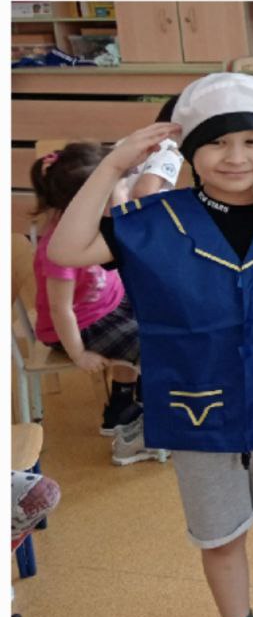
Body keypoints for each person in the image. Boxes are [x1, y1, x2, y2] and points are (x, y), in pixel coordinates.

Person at [48, 73, 253, 617]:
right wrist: (112, 167)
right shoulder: (152, 222)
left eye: (252, 141)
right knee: (219, 534)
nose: (236, 157)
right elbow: (66, 248)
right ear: (188, 152)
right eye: (217, 142)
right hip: (194, 409)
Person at [29, 142, 163, 466]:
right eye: (119, 190)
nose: (125, 194)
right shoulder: (59, 248)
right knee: (158, 348)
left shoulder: (95, 223)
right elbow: (60, 310)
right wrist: (78, 354)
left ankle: (120, 407)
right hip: (80, 325)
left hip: (109, 305)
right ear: (89, 201)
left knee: (166, 321)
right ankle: (139, 434)